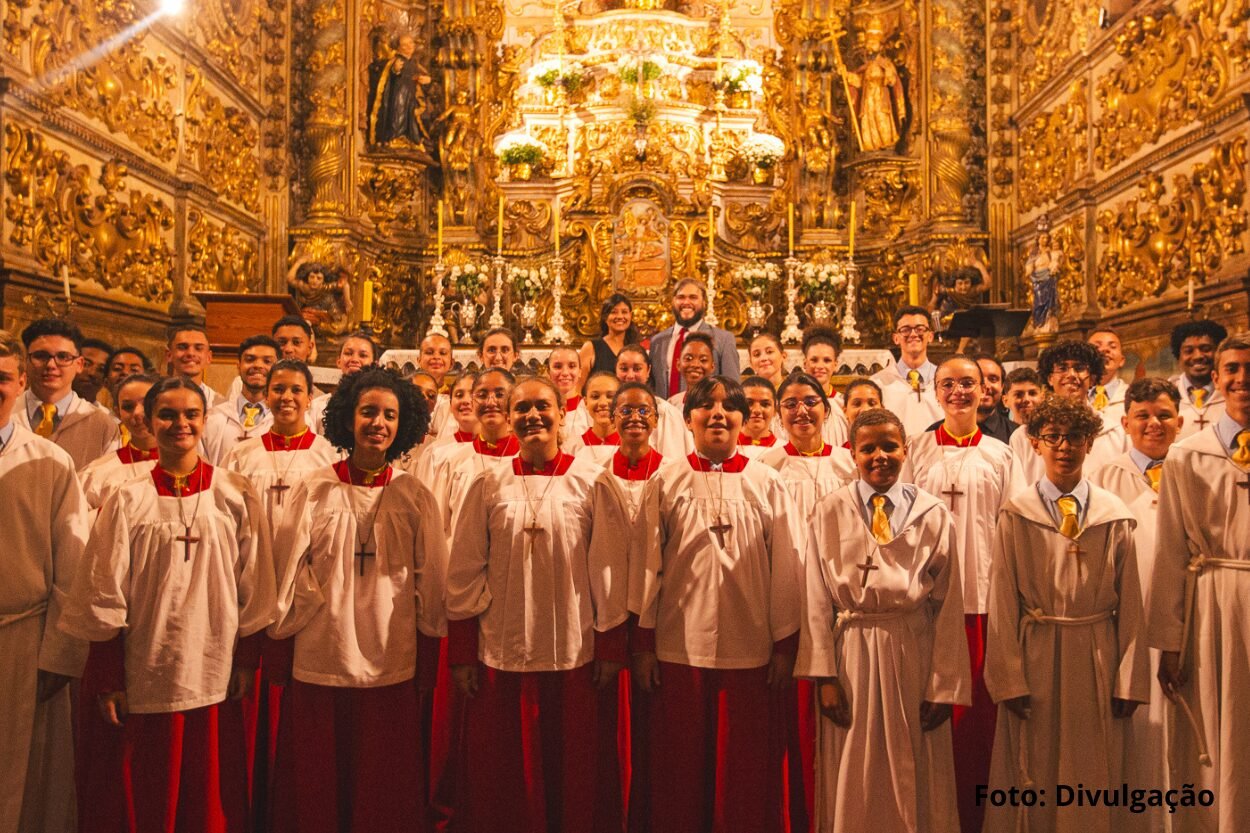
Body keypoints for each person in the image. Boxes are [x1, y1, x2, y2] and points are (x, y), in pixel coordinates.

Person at [61, 376, 276, 833]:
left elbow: (254, 582)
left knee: (208, 789)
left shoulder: (234, 493)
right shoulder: (128, 497)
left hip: (215, 659)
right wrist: (107, 673)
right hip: (147, 661)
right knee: (148, 788)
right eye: (168, 414)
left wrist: (246, 659)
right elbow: (103, 590)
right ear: (148, 420)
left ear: (204, 420)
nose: (180, 424)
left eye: (191, 414)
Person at [267, 366, 446, 833]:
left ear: (402, 425)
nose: (378, 423)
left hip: (391, 652)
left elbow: (431, 581)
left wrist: (428, 654)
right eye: (368, 412)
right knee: (317, 774)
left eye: (390, 415)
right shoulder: (314, 488)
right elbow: (287, 573)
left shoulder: (414, 495)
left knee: (382, 781)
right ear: (348, 419)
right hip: (321, 647)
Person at [447, 376, 625, 833]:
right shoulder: (487, 483)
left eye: (542, 406)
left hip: (573, 647)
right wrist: (464, 651)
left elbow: (608, 569)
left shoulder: (591, 480)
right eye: (521, 408)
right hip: (502, 648)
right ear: (509, 418)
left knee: (572, 768)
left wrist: (608, 644)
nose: (532, 416)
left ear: (563, 414)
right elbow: (466, 568)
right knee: (505, 772)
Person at [630, 376, 802, 833]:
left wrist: (785, 647)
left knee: (741, 772)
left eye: (730, 407)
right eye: (706, 406)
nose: (719, 414)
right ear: (688, 419)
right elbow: (648, 566)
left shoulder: (768, 482)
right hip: (676, 647)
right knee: (679, 770)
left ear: (745, 420)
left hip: (751, 648)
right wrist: (644, 643)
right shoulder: (666, 479)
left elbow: (787, 567)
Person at [797, 408, 969, 833]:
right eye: (868, 448)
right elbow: (815, 596)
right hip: (852, 651)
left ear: (906, 450)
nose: (880, 456)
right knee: (854, 762)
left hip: (912, 645)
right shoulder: (830, 509)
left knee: (915, 758)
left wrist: (944, 686)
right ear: (852, 454)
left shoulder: (931, 513)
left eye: (890, 446)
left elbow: (948, 604)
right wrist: (825, 678)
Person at [984, 396, 1148, 833]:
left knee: (1095, 762)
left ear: (1090, 443)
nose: (1064, 447)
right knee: (1034, 761)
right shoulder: (1017, 513)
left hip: (1097, 653)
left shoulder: (1114, 515)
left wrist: (1129, 677)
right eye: (1053, 437)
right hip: (1035, 652)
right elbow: (1002, 599)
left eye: (1074, 436)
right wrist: (1007, 678)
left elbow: (1131, 603)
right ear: (1035, 444)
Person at [900, 356, 1012, 833]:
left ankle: (978, 816)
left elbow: (1011, 527)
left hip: (982, 599)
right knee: (929, 712)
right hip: (928, 599)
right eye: (949, 384)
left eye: (969, 383)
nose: (960, 392)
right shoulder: (916, 449)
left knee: (977, 724)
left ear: (985, 389)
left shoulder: (1000, 454)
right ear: (936, 390)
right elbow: (899, 518)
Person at [1149, 333, 1250, 831]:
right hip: (1212, 604)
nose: (1242, 379)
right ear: (1216, 378)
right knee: (1217, 722)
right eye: (1233, 369)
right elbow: (1170, 551)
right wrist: (1169, 641)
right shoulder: (1188, 455)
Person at [0, 331, 90, 833]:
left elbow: (72, 565)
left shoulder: (51, 462)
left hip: (23, 640)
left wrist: (60, 653)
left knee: (26, 779)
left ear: (18, 384)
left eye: (2, 378)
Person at [758, 372, 856, 830]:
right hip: (790, 601)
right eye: (791, 403)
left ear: (826, 408)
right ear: (778, 415)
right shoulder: (766, 466)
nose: (801, 411)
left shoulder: (849, 464)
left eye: (810, 401)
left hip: (844, 607)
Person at [1090, 377, 1182, 833]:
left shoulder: (1193, 470)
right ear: (1123, 422)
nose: (1153, 424)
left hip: (1188, 620)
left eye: (1163, 415)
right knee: (1133, 733)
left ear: (1179, 422)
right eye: (1143, 415)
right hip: (1124, 622)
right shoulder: (1103, 477)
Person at [594, 381, 664, 833]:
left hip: (660, 624)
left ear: (657, 420)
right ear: (611, 418)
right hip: (605, 617)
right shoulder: (594, 474)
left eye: (644, 411)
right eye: (626, 411)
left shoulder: (672, 474)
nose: (635, 418)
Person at [1009, 340, 1126, 492]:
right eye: (1062, 368)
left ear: (1092, 378)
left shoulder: (1114, 433)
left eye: (1079, 368)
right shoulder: (1024, 436)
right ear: (1050, 378)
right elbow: (1017, 491)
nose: (1071, 375)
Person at [15, 319, 119, 469]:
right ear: (26, 361)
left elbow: (107, 485)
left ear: (79, 364)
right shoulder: (7, 411)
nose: (51, 365)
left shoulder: (103, 425)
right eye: (41, 356)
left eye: (63, 357)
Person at [427, 368, 520, 536]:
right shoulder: (454, 461)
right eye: (482, 395)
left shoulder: (526, 459)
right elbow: (436, 527)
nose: (491, 402)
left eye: (500, 394)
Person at [80, 373, 161, 509]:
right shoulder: (96, 474)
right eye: (128, 407)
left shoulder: (194, 467)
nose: (138, 412)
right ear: (118, 413)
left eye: (147, 403)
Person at [648, 279, 741, 398]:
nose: (686, 302)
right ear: (673, 301)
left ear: (704, 303)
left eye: (693, 297)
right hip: (666, 414)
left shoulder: (723, 340)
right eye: (681, 297)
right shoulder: (657, 341)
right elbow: (652, 385)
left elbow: (732, 387)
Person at [202, 336, 280, 464]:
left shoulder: (285, 420)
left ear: (277, 369)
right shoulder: (214, 417)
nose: (258, 365)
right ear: (238, 366)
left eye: (267, 361)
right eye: (250, 359)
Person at [870, 306, 943, 437]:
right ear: (896, 338)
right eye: (905, 330)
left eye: (920, 329)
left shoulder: (945, 379)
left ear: (930, 336)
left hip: (937, 453)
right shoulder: (878, 383)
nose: (913, 334)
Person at [616, 344, 693, 460]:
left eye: (637, 369)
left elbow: (673, 462)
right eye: (624, 369)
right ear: (615, 370)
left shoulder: (666, 412)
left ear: (648, 371)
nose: (630, 376)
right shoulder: (609, 409)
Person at [1169, 319, 1228, 440]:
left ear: (1219, 352)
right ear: (1178, 356)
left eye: (1206, 349)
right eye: (1188, 351)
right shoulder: (1167, 393)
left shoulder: (1233, 391)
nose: (1198, 356)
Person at [309, 331, 376, 432]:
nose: (354, 359)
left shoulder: (380, 407)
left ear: (375, 364)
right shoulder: (318, 406)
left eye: (363, 355)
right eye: (348, 353)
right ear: (338, 361)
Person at [579, 293, 642, 383]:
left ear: (630, 316)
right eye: (613, 312)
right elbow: (578, 387)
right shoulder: (591, 347)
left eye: (624, 312)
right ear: (605, 317)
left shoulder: (636, 348)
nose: (620, 316)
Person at [563, 371, 620, 464]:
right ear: (585, 402)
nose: (603, 403)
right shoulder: (571, 447)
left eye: (610, 396)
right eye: (595, 396)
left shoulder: (633, 446)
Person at [165, 325, 223, 409]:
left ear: (209, 357)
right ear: (169, 355)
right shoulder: (154, 396)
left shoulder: (220, 405)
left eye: (198, 348)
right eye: (182, 347)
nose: (190, 353)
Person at [97, 346, 154, 412]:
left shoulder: (154, 419)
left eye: (134, 370)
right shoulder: (97, 418)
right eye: (117, 368)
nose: (125, 372)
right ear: (106, 382)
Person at [973, 353, 1014, 443]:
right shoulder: (938, 432)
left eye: (993, 379)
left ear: (1002, 386)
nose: (986, 386)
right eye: (978, 378)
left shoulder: (1016, 434)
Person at [668, 332, 715, 408]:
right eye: (688, 358)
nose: (695, 365)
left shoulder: (721, 403)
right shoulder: (672, 404)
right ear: (678, 364)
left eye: (703, 360)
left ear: (712, 366)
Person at [1088, 327, 1128, 416]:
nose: (1105, 349)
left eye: (1112, 347)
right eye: (1096, 346)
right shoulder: (1074, 396)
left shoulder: (1133, 396)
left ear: (1122, 360)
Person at [739, 376, 781, 456]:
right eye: (749, 403)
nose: (757, 410)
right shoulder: (726, 448)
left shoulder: (783, 450)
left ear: (775, 410)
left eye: (765, 404)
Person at [840, 377, 883, 448]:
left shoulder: (893, 449)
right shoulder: (840, 455)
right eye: (857, 404)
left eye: (872, 403)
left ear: (882, 409)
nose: (865, 410)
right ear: (845, 412)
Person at [74, 337, 114, 404]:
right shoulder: (51, 407)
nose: (92, 373)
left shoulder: (104, 414)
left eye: (101, 369)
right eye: (86, 364)